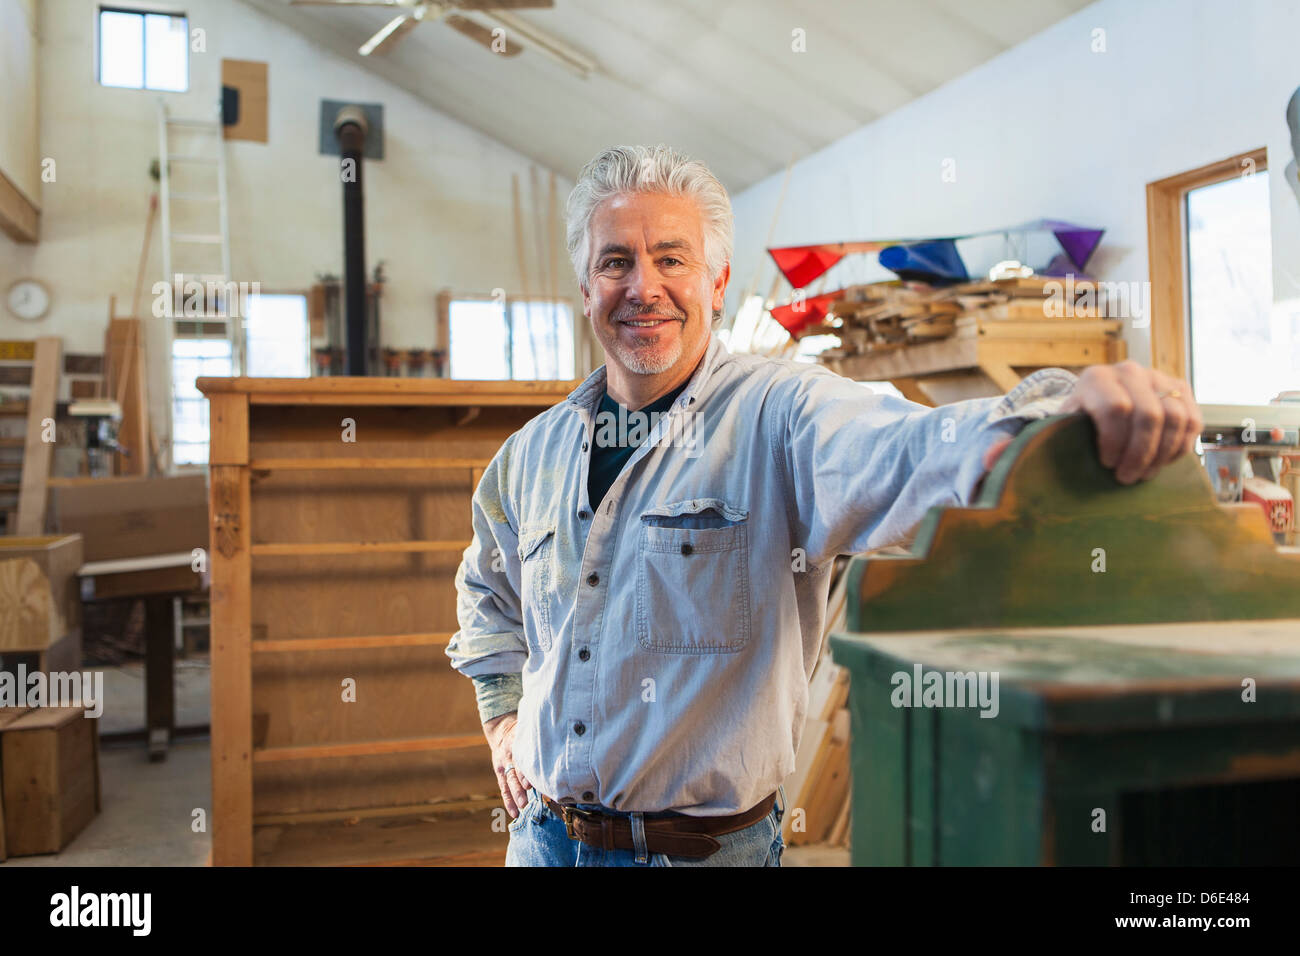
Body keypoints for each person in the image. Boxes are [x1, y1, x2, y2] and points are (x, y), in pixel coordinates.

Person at [447, 144, 1202, 867]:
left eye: (671, 258)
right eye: (616, 262)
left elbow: (915, 450)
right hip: (542, 843)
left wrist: (1065, 418)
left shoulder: (784, 417)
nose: (642, 286)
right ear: (586, 290)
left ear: (715, 283)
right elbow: (487, 591)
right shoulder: (532, 453)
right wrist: (502, 714)